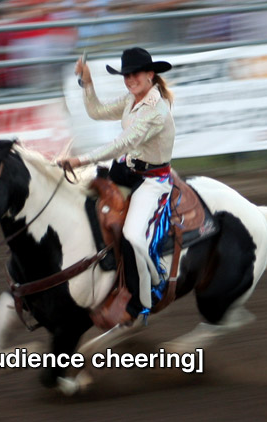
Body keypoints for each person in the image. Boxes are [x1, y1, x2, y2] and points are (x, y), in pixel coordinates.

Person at [57, 47, 175, 320]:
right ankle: (105, 267)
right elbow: (96, 112)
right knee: (84, 203)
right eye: (126, 75)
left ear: (150, 75)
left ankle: (145, 296)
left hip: (152, 180)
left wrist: (81, 160)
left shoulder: (155, 110)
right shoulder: (131, 100)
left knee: (134, 235)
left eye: (135, 74)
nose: (130, 79)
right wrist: (87, 82)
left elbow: (123, 142)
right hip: (126, 171)